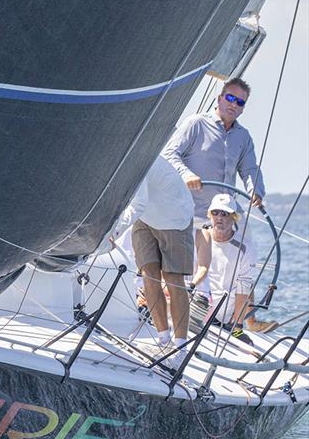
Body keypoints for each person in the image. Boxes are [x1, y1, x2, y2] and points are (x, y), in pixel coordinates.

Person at [112, 155, 195, 367]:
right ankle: (163, 339)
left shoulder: (137, 158)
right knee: (148, 274)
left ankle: (180, 347)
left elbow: (138, 202)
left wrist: (115, 231)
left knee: (173, 278)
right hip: (146, 217)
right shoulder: (114, 158)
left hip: (173, 217)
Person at [161, 77, 266, 234]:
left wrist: (255, 190)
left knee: (247, 250)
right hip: (190, 215)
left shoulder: (243, 136)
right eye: (230, 98)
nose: (233, 104)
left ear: (243, 109)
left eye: (240, 102)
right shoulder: (195, 123)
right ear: (219, 98)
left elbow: (249, 169)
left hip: (226, 214)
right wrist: (187, 175)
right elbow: (168, 154)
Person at [191, 194, 278, 336]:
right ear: (209, 215)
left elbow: (243, 290)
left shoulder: (245, 247)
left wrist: (237, 327)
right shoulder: (196, 237)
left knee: (246, 284)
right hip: (194, 310)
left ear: (234, 217)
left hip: (223, 315)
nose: (219, 217)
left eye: (225, 213)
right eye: (215, 212)